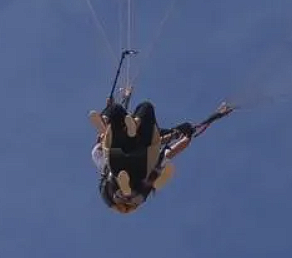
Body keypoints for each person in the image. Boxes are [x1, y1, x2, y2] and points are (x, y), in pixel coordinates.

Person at [90, 88, 233, 214]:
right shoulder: (149, 139)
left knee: (120, 112)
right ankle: (127, 189)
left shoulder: (114, 150)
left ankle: (125, 189)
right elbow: (170, 147)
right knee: (139, 108)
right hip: (139, 165)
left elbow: (98, 153)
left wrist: (102, 140)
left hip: (122, 166)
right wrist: (185, 138)